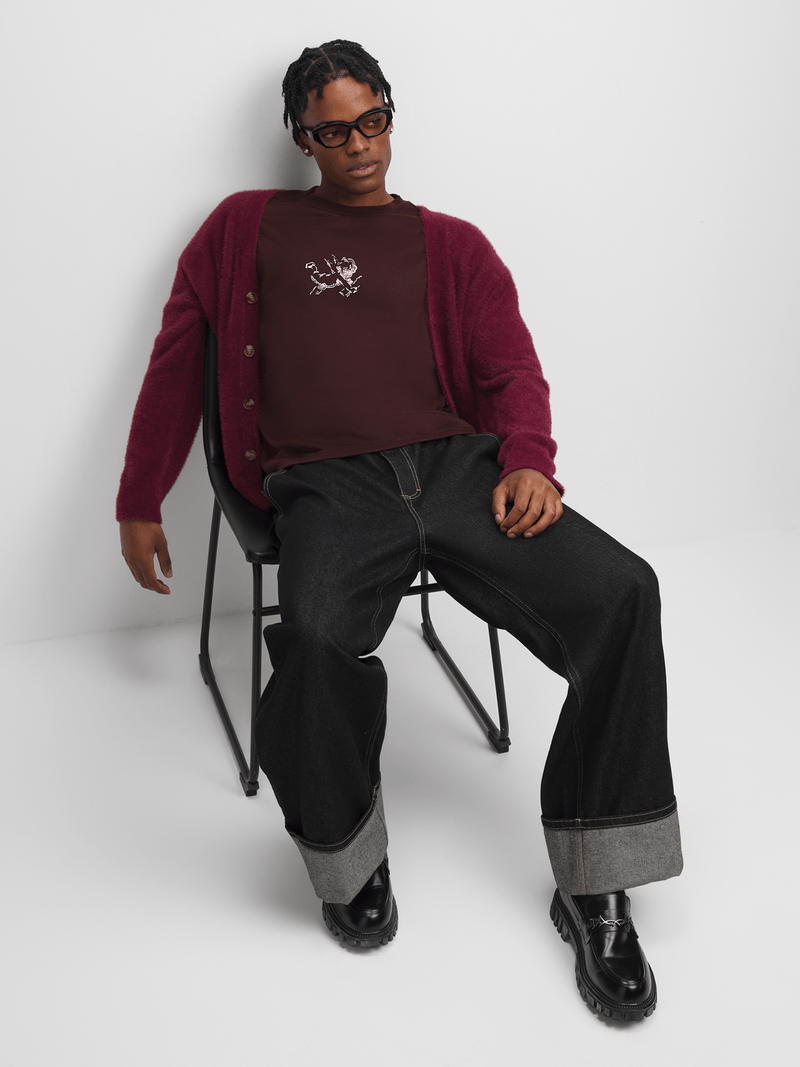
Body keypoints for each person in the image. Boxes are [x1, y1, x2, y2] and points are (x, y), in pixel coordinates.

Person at [117, 40, 682, 1021]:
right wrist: (139, 495)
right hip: (326, 486)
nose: (358, 145)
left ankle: (594, 882)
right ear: (301, 137)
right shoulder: (242, 228)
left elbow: (511, 368)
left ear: (389, 110)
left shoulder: (454, 245)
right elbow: (176, 360)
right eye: (332, 131)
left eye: (371, 120)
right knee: (315, 637)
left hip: (458, 471)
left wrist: (527, 459)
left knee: (624, 591)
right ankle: (349, 858)